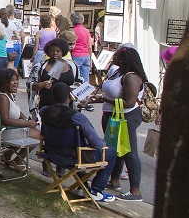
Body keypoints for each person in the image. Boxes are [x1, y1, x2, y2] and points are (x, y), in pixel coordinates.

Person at [78, 47, 147, 201]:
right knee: (115, 149)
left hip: (127, 117)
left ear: (123, 59)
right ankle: (114, 181)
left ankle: (135, 191)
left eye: (115, 56)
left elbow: (129, 103)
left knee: (129, 152)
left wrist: (103, 99)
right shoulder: (117, 71)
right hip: (111, 115)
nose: (112, 57)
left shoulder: (131, 77)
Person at [40, 82, 118, 202]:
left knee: (80, 153)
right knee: (111, 152)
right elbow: (97, 144)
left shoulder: (44, 111)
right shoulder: (76, 117)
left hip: (52, 154)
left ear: (52, 96)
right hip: (73, 158)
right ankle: (96, 190)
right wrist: (103, 143)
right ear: (70, 96)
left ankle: (84, 185)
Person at [0, 68, 41, 170]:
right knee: (38, 135)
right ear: (4, 82)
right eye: (12, 80)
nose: (16, 83)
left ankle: (6, 156)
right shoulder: (2, 98)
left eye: (17, 80)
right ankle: (17, 160)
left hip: (0, 130)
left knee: (28, 131)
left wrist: (24, 118)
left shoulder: (7, 95)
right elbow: (5, 120)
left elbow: (16, 111)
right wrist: (26, 123)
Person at [70, 12, 92, 85]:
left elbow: (70, 44)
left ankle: (76, 94)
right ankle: (86, 94)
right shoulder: (86, 30)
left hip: (76, 55)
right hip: (86, 55)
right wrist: (90, 58)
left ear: (72, 21)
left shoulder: (73, 31)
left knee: (76, 76)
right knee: (86, 77)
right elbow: (90, 46)